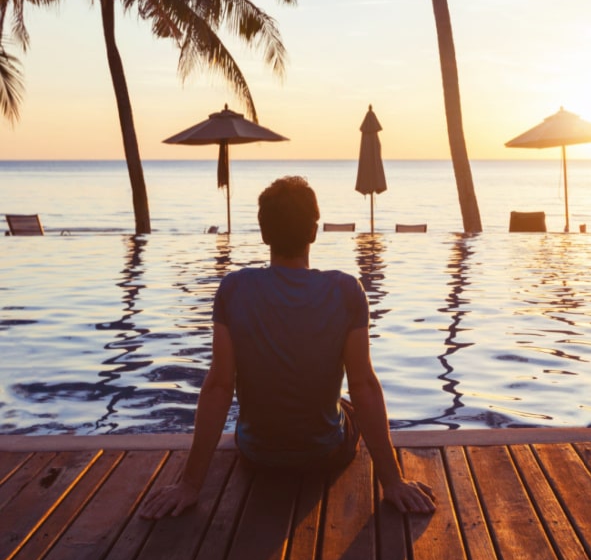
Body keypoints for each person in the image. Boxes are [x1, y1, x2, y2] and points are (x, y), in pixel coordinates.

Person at [141, 175, 436, 519]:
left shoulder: (234, 289)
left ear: (264, 234)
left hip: (257, 454)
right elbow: (364, 385)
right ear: (314, 231)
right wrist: (393, 481)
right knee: (349, 403)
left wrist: (190, 484)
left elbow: (220, 387)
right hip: (324, 453)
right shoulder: (346, 291)